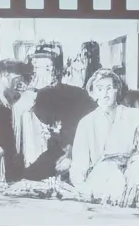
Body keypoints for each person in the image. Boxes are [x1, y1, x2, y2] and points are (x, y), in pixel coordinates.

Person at [68, 66, 139, 195]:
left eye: (109, 88)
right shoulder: (86, 123)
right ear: (93, 93)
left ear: (116, 90)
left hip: (131, 180)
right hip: (99, 183)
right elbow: (79, 164)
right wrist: (82, 187)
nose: (105, 93)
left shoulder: (135, 116)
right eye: (100, 89)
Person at [22, 43, 92, 178]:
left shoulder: (76, 95)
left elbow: (79, 131)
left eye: (47, 67)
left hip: (65, 156)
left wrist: (70, 153)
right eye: (37, 67)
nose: (40, 72)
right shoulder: (27, 98)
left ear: (57, 70)